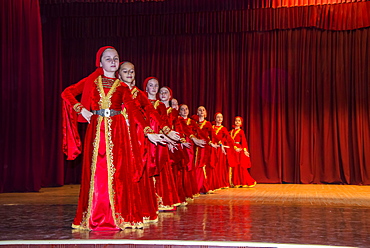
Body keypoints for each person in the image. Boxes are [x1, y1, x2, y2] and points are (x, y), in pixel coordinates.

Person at [61, 46, 164, 231]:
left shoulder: (123, 87)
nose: (112, 61)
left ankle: (117, 215)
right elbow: (67, 93)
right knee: (97, 172)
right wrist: (80, 109)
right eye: (108, 59)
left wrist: (148, 131)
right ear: (100, 63)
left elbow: (134, 111)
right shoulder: (92, 82)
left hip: (117, 132)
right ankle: (94, 215)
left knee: (116, 173)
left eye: (115, 58)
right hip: (96, 129)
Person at [143, 77, 181, 210]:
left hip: (159, 141)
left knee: (161, 168)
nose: (153, 88)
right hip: (144, 139)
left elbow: (164, 122)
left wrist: (168, 138)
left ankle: (161, 200)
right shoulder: (142, 102)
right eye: (151, 85)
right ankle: (146, 201)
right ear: (146, 88)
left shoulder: (160, 106)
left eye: (156, 86)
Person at [192, 106, 218, 193]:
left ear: (206, 113)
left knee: (201, 165)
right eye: (200, 110)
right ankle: (195, 186)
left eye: (203, 110)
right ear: (197, 112)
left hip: (204, 147)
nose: (201, 111)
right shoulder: (193, 123)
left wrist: (215, 144)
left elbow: (212, 136)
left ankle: (203, 186)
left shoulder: (208, 124)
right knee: (194, 165)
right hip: (195, 146)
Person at [229, 116, 257, 188]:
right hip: (231, 149)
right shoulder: (231, 132)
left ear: (241, 123)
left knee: (239, 165)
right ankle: (234, 181)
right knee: (233, 165)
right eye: (236, 120)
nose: (237, 122)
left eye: (239, 121)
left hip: (238, 149)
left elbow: (244, 141)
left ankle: (241, 181)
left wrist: (245, 150)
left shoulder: (241, 131)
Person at [212, 113, 236, 189]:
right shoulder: (211, 127)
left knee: (220, 166)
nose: (219, 119)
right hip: (212, 147)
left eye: (221, 117)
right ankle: (213, 182)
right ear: (215, 119)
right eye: (218, 117)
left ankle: (221, 182)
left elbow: (229, 139)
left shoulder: (223, 129)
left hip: (220, 149)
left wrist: (234, 147)